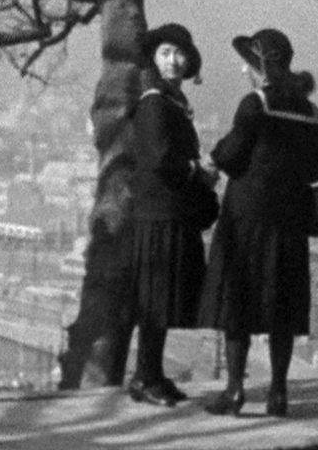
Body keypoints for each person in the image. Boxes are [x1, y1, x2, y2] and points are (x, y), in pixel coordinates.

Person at [199, 28, 318, 418]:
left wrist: (215, 157)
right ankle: (278, 393)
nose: (244, 70)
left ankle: (236, 390)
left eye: (248, 63)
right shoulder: (309, 110)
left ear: (260, 66)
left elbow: (232, 154)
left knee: (237, 302)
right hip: (289, 220)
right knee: (282, 307)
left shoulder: (255, 103)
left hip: (247, 217)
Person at [127, 22, 219, 406]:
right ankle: (145, 377)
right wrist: (199, 172)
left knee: (160, 300)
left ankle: (150, 376)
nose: (174, 61)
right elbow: (160, 157)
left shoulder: (169, 101)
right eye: (166, 53)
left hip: (167, 212)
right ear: (154, 57)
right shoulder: (154, 101)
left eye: (180, 54)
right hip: (160, 214)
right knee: (156, 300)